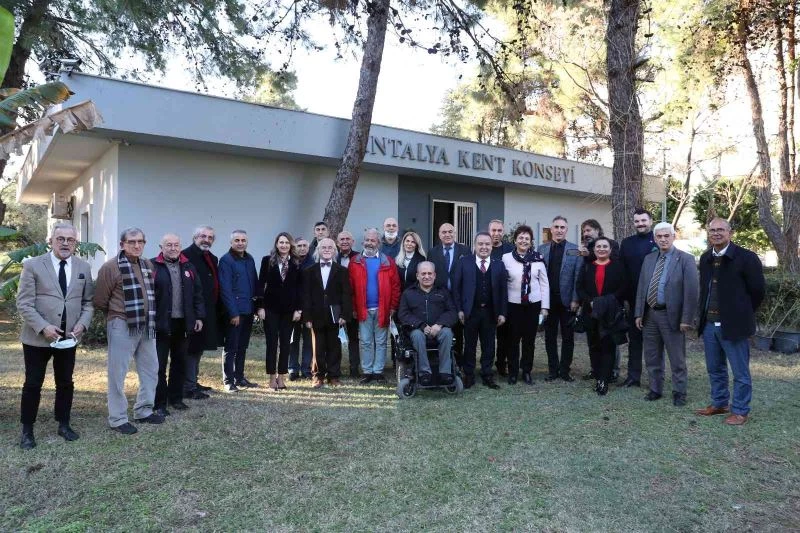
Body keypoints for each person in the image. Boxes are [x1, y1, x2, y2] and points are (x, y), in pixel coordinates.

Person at [16, 223, 94, 449]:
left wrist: (83, 324)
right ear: (51, 241)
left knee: (65, 383)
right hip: (37, 339)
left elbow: (88, 302)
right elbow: (24, 303)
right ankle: (27, 430)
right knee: (32, 384)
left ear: (75, 243)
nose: (65, 243)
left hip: (68, 338)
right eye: (60, 238)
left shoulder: (83, 267)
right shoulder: (32, 265)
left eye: (70, 239)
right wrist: (43, 327)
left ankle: (64, 424)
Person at [94, 227, 164, 434]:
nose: (136, 245)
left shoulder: (147, 264)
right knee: (118, 374)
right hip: (121, 324)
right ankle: (117, 418)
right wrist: (117, 315)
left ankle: (144, 410)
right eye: (131, 242)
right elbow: (100, 300)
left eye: (140, 241)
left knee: (151, 369)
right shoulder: (110, 268)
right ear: (122, 244)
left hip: (146, 325)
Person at [695, 218, 765, 425]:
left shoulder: (746, 258)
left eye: (721, 230)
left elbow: (758, 291)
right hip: (709, 324)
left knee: (740, 371)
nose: (716, 233)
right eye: (712, 230)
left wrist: (741, 312)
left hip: (733, 325)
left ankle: (741, 410)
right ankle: (719, 403)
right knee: (715, 368)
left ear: (730, 233)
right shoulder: (706, 258)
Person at [634, 222, 698, 407]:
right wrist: (639, 312)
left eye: (666, 236)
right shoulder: (649, 259)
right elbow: (642, 287)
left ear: (673, 236)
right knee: (652, 355)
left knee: (677, 357)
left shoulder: (685, 259)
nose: (663, 239)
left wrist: (686, 319)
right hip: (650, 315)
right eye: (659, 236)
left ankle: (679, 392)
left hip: (673, 316)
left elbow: (692, 291)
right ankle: (655, 388)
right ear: (654, 238)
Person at [151, 233, 205, 417]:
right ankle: (159, 402)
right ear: (161, 246)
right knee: (158, 365)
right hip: (161, 324)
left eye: (176, 245)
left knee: (179, 362)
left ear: (180, 246)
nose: (173, 248)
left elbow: (198, 293)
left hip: (183, 323)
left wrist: (199, 317)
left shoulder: (188, 266)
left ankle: (176, 398)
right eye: (168, 245)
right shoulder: (153, 266)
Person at [451, 232, 507, 389]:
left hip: (490, 312)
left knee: (489, 345)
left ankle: (487, 374)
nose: (484, 247)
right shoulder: (464, 263)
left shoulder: (499, 265)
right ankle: (468, 374)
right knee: (469, 344)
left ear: (491, 246)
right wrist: (460, 309)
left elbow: (504, 291)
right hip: (470, 312)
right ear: (474, 246)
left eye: (487, 244)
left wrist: (502, 312)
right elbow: (456, 288)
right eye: (480, 244)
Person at [576, 237, 628, 396]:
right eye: (598, 246)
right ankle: (598, 374)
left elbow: (624, 287)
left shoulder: (618, 267)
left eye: (605, 246)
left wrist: (606, 302)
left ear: (610, 250)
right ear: (594, 250)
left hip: (610, 313)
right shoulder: (587, 267)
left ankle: (604, 380)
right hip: (590, 311)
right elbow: (580, 287)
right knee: (593, 345)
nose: (601, 249)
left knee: (608, 346)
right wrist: (590, 302)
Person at [349, 228, 401, 384]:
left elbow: (395, 286)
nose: (369, 243)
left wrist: (392, 306)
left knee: (381, 341)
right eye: (367, 240)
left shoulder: (388, 262)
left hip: (382, 308)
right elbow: (350, 288)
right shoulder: (355, 262)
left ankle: (378, 371)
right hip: (362, 308)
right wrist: (353, 307)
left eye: (373, 240)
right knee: (365, 341)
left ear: (378, 243)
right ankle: (367, 371)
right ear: (363, 242)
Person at [501, 225, 549, 385]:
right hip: (513, 305)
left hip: (533, 305)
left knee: (529, 340)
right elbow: (502, 282)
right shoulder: (506, 258)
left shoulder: (538, 258)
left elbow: (544, 284)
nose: (523, 241)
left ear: (531, 242)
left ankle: (526, 371)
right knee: (512, 340)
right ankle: (513, 372)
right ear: (515, 240)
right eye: (520, 238)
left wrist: (544, 307)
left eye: (527, 238)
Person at [398, 261, 458, 386]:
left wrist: (440, 324)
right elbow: (403, 314)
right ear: (417, 276)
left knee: (447, 333)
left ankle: (445, 373)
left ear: (434, 275)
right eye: (423, 273)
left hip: (439, 331)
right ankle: (424, 372)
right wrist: (421, 325)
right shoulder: (408, 293)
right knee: (417, 335)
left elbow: (452, 312)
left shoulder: (443, 292)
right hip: (417, 331)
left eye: (429, 273)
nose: (426, 276)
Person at [303, 238, 352, 388]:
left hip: (335, 315)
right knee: (317, 346)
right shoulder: (309, 271)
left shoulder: (342, 271)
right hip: (316, 314)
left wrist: (344, 314)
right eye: (323, 247)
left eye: (330, 247)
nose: (326, 249)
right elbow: (306, 295)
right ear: (318, 250)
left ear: (334, 250)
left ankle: (334, 376)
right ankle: (318, 376)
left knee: (334, 346)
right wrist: (307, 316)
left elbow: (346, 294)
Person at [256, 232, 303, 391]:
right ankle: (271, 377)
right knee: (271, 343)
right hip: (270, 309)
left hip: (289, 310)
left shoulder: (297, 263)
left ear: (291, 245)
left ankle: (282, 377)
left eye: (287, 243)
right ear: (276, 244)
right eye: (281, 242)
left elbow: (299, 289)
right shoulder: (267, 261)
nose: (283, 245)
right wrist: (260, 306)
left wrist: (298, 309)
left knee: (285, 344)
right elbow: (261, 284)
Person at [538, 216, 582, 382]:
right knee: (549, 337)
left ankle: (565, 370)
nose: (559, 230)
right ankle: (553, 370)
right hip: (548, 302)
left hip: (567, 302)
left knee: (568, 338)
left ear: (566, 230)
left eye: (562, 227)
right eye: (556, 227)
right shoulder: (542, 249)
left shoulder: (574, 249)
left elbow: (577, 276)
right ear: (551, 229)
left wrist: (575, 300)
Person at [619, 208, 657, 388]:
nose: (640, 224)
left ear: (650, 221)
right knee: (635, 341)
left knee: (655, 343)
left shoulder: (659, 240)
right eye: (637, 221)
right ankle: (633, 377)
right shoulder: (626, 243)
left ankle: (656, 379)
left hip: (655, 301)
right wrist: (625, 299)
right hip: (633, 301)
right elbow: (623, 272)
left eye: (644, 220)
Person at [579, 218, 621, 381]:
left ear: (598, 230)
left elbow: (612, 262)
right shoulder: (586, 248)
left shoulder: (612, 244)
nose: (586, 233)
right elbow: (584, 275)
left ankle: (613, 370)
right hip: (590, 302)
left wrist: (588, 255)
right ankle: (595, 369)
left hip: (610, 302)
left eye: (588, 230)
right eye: (584, 231)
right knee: (593, 339)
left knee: (610, 338)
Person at [182, 226, 220, 399]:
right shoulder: (185, 256)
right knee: (191, 348)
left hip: (207, 309)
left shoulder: (212, 258)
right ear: (194, 237)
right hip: (192, 311)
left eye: (210, 237)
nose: (206, 239)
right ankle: (188, 386)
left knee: (199, 347)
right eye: (203, 236)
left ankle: (193, 381)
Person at [218, 229, 258, 392]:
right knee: (231, 347)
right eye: (237, 240)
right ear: (231, 242)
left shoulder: (249, 259)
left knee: (242, 346)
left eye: (243, 240)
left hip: (248, 310)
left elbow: (254, 283)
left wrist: (256, 308)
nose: (240, 243)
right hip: (235, 312)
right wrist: (233, 313)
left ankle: (239, 377)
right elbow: (225, 289)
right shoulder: (226, 260)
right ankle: (228, 380)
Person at [429, 223, 470, 363]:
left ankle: (458, 362)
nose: (447, 234)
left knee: (458, 331)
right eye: (444, 232)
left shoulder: (465, 250)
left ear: (455, 233)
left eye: (450, 231)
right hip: (440, 299)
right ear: (439, 235)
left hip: (459, 298)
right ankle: (439, 360)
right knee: (441, 329)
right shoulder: (432, 252)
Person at [488, 219, 513, 377]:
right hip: (488, 298)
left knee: (505, 334)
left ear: (503, 232)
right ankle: (487, 363)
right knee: (488, 335)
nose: (496, 234)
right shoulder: (483, 247)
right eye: (493, 230)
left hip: (506, 297)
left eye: (499, 230)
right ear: (488, 231)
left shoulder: (510, 249)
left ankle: (501, 362)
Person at [288, 236, 314, 380]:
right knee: (293, 339)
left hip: (309, 308)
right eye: (299, 245)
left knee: (308, 340)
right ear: (295, 247)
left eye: (305, 245)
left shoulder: (314, 263)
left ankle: (306, 368)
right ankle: (293, 368)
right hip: (292, 308)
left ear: (308, 247)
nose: (302, 248)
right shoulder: (290, 262)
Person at [337, 230, 360, 377]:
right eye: (342, 239)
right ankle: (335, 368)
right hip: (335, 303)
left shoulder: (359, 258)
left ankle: (354, 368)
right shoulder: (332, 256)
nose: (344, 241)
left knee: (353, 337)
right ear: (337, 242)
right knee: (335, 337)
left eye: (347, 239)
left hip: (353, 303)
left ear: (352, 242)